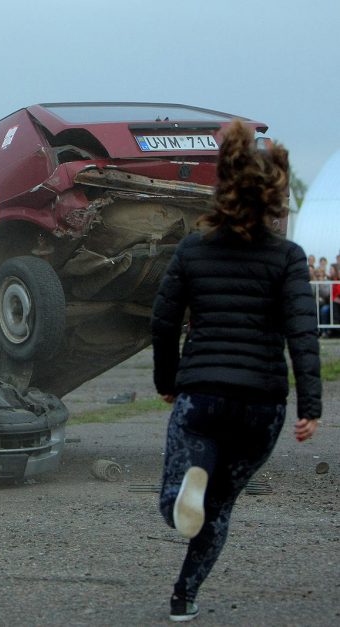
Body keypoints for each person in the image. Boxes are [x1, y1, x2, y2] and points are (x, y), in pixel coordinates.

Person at [151, 120, 320, 622]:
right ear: (272, 197)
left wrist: (167, 382)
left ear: (222, 184)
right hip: (262, 406)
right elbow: (303, 335)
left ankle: (190, 483)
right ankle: (184, 599)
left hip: (202, 395)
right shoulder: (287, 257)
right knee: (218, 508)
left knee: (176, 502)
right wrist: (310, 407)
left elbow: (163, 323)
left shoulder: (193, 248)